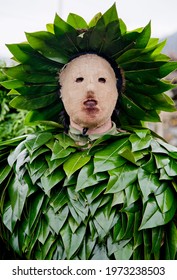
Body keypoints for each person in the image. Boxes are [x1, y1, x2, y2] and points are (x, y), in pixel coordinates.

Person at [0, 4, 177, 260]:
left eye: (103, 80)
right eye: (79, 80)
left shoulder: (163, 166)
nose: (90, 90)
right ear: (60, 92)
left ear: (119, 92)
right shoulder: (18, 165)